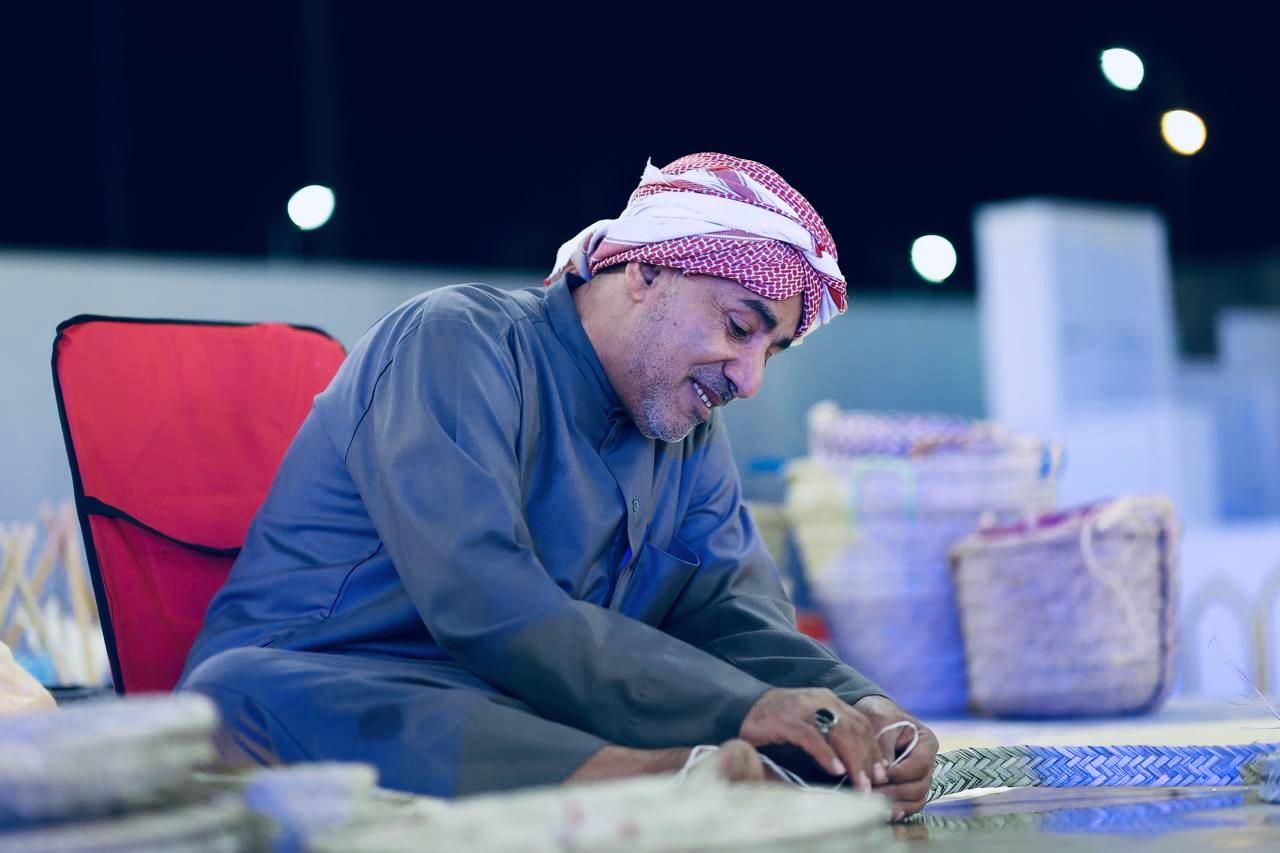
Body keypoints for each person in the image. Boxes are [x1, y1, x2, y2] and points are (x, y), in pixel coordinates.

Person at [179, 152, 938, 819]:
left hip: (519, 715)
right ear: (644, 271)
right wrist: (745, 709)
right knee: (239, 696)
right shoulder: (457, 341)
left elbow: (731, 617)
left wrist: (860, 709)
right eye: (741, 328)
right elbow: (487, 603)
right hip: (344, 685)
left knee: (782, 737)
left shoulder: (689, 432)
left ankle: (667, 781)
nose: (749, 379)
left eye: (770, 350)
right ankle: (660, 786)